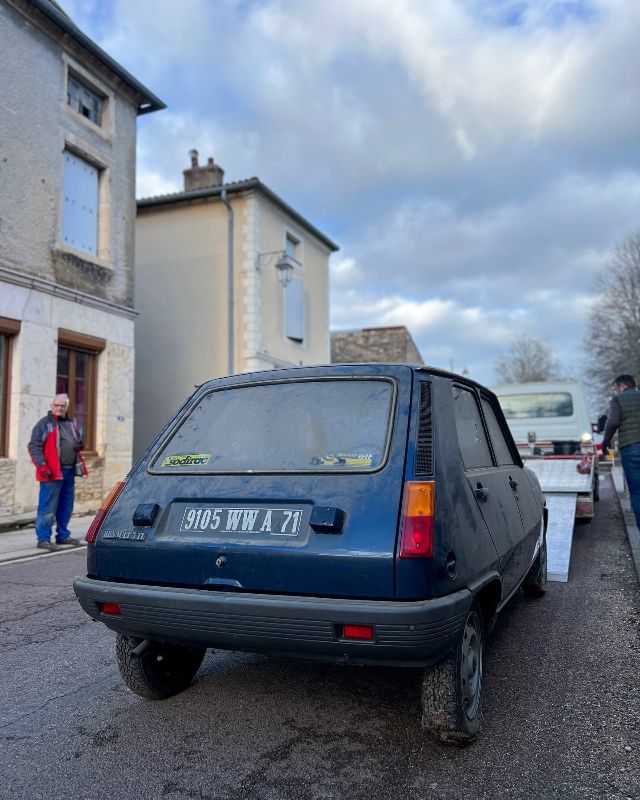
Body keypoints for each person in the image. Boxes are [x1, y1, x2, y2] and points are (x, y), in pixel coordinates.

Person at [28, 393, 87, 551]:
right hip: (51, 473)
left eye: (62, 406)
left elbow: (75, 443)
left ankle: (63, 535)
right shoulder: (44, 424)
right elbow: (34, 446)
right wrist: (42, 465)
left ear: (66, 407)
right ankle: (43, 539)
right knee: (47, 507)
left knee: (66, 507)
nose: (59, 408)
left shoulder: (70, 424)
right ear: (52, 406)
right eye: (57, 405)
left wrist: (78, 444)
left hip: (69, 471)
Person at [601, 374, 640, 528]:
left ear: (622, 386)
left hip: (631, 448)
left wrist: (605, 442)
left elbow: (613, 422)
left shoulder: (618, 399)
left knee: (636, 492)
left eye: (617, 388)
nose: (617, 391)